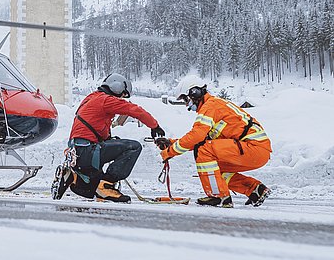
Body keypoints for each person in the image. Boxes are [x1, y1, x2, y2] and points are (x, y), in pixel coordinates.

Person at [156, 75, 272, 208]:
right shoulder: (214, 106)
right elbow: (201, 139)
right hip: (256, 150)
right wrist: (171, 142)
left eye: (185, 99)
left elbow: (197, 136)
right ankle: (255, 190)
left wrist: (169, 152)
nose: (186, 104)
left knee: (204, 151)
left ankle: (218, 196)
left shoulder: (210, 107)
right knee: (214, 170)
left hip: (253, 148)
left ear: (195, 93)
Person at [52, 73, 165, 203]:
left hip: (77, 153)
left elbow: (96, 128)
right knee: (133, 147)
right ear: (116, 87)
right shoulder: (107, 100)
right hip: (87, 152)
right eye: (123, 94)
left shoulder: (90, 98)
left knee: (89, 191)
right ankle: (107, 186)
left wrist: (109, 140)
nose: (123, 98)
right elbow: (134, 110)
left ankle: (74, 177)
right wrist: (154, 125)